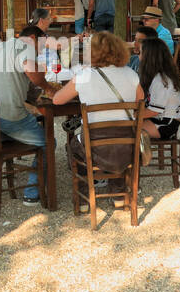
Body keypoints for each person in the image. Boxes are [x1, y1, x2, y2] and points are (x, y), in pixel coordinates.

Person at [0, 24, 59, 205]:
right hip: (8, 117)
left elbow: (5, 79)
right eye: (41, 46)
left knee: (2, 138)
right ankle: (32, 193)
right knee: (49, 141)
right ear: (34, 39)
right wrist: (48, 88)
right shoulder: (26, 48)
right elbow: (30, 71)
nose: (40, 51)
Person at [54, 32, 143, 193]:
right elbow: (140, 102)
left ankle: (83, 195)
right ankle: (118, 193)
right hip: (127, 144)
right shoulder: (131, 74)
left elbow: (57, 100)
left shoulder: (84, 75)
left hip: (94, 146)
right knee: (113, 146)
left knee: (72, 146)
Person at [138, 37, 180, 140]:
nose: (139, 57)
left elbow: (154, 111)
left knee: (126, 130)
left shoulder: (161, 80)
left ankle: (142, 156)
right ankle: (139, 155)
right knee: (125, 128)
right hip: (159, 119)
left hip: (165, 124)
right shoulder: (159, 76)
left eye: (140, 53)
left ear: (149, 57)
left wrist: (131, 115)